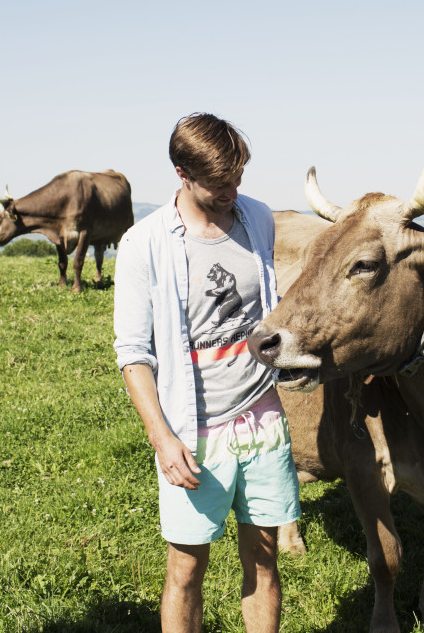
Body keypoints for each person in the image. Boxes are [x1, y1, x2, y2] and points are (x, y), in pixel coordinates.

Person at [113, 112, 301, 633]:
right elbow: (132, 352)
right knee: (186, 568)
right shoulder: (144, 244)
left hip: (261, 420)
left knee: (264, 561)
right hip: (194, 431)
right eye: (220, 183)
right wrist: (162, 438)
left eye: (238, 178)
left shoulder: (257, 218)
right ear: (182, 173)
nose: (232, 192)